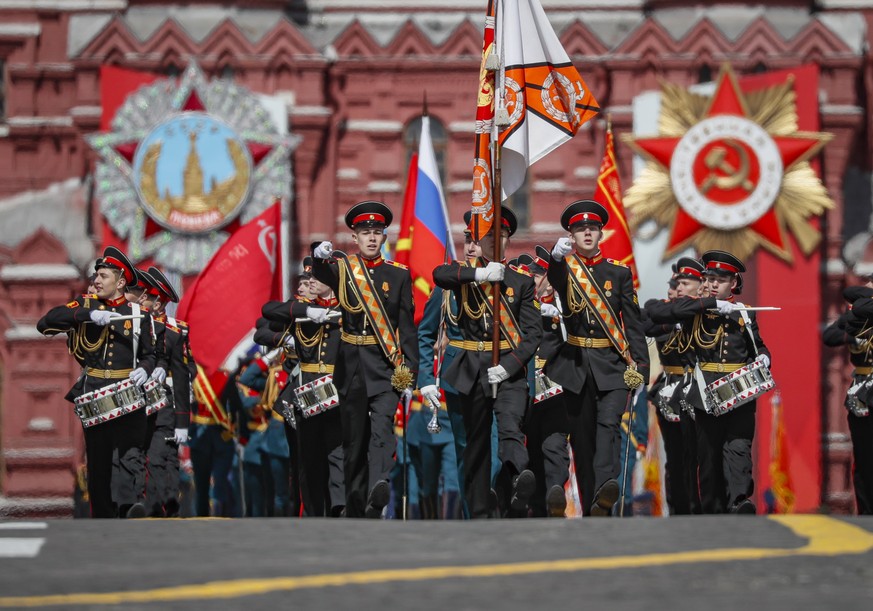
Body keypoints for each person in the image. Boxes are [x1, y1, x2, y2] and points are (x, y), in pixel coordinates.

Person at [432, 207, 542, 518]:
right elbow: (439, 275)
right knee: (476, 446)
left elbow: (532, 334)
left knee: (509, 427)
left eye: (500, 237)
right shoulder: (465, 275)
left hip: (506, 370)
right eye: (487, 237)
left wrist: (510, 365)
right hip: (470, 370)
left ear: (507, 241)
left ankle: (520, 479)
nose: (494, 243)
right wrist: (480, 273)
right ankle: (478, 513)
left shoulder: (521, 282)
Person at [312, 201, 419, 518]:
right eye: (364, 233)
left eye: (376, 233)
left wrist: (410, 373)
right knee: (354, 440)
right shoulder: (344, 270)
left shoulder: (397, 275)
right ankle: (355, 504)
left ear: (384, 238)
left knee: (383, 433)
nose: (371, 238)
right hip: (350, 367)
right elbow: (322, 273)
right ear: (355, 238)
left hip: (385, 367)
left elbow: (407, 328)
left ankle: (377, 491)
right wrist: (319, 257)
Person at [546, 200, 649, 517]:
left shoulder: (618, 272)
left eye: (592, 229)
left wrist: (641, 366)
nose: (587, 233)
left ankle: (606, 489)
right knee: (582, 437)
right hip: (576, 365)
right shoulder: (566, 268)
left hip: (611, 364)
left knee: (609, 427)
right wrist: (555, 260)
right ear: (571, 236)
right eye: (580, 229)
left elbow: (632, 322)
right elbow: (559, 285)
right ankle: (594, 502)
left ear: (600, 233)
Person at [37, 246, 156, 518]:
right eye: (96, 277)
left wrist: (146, 370)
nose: (97, 281)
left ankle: (129, 508)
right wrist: (88, 315)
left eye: (103, 276)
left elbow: (151, 354)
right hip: (96, 393)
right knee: (99, 460)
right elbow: (46, 322)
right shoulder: (85, 306)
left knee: (131, 455)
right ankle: (103, 517)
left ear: (121, 282)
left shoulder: (139, 316)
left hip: (130, 394)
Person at [648, 250, 769, 514]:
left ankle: (739, 501)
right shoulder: (694, 310)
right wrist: (708, 305)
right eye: (710, 278)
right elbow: (654, 315)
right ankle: (713, 509)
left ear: (733, 283)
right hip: (705, 395)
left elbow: (757, 346)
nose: (713, 284)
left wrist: (763, 359)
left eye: (721, 279)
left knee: (739, 448)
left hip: (740, 392)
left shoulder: (744, 314)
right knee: (709, 456)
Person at [261, 263, 346, 517]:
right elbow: (266, 313)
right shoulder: (303, 310)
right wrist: (306, 311)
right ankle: (311, 508)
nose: (309, 283)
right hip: (305, 392)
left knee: (336, 452)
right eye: (309, 278)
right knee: (308, 455)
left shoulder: (344, 309)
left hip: (336, 390)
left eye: (316, 278)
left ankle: (338, 506)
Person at [128, 268, 191, 517]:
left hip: (162, 401)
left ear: (158, 302)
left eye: (146, 297)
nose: (141, 300)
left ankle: (158, 504)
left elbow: (184, 373)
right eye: (140, 296)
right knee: (135, 456)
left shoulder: (175, 332)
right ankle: (136, 502)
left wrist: (182, 420)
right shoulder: (132, 323)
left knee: (161, 456)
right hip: (132, 400)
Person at [644, 258, 704, 515]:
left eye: (684, 283)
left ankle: (700, 505)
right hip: (670, 390)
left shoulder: (706, 311)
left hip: (698, 390)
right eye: (675, 284)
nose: (678, 289)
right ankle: (679, 508)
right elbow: (647, 322)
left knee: (699, 455)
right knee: (675, 456)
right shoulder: (664, 310)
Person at [519, 247, 570, 517]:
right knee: (531, 450)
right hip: (524, 390)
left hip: (553, 390)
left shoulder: (560, 304)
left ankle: (555, 494)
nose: (533, 278)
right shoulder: (518, 302)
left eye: (538, 274)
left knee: (554, 445)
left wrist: (557, 312)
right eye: (531, 273)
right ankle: (536, 505)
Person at [824, 280, 873, 514]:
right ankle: (866, 512)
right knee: (864, 457)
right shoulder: (856, 315)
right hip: (863, 390)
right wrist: (852, 338)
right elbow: (830, 334)